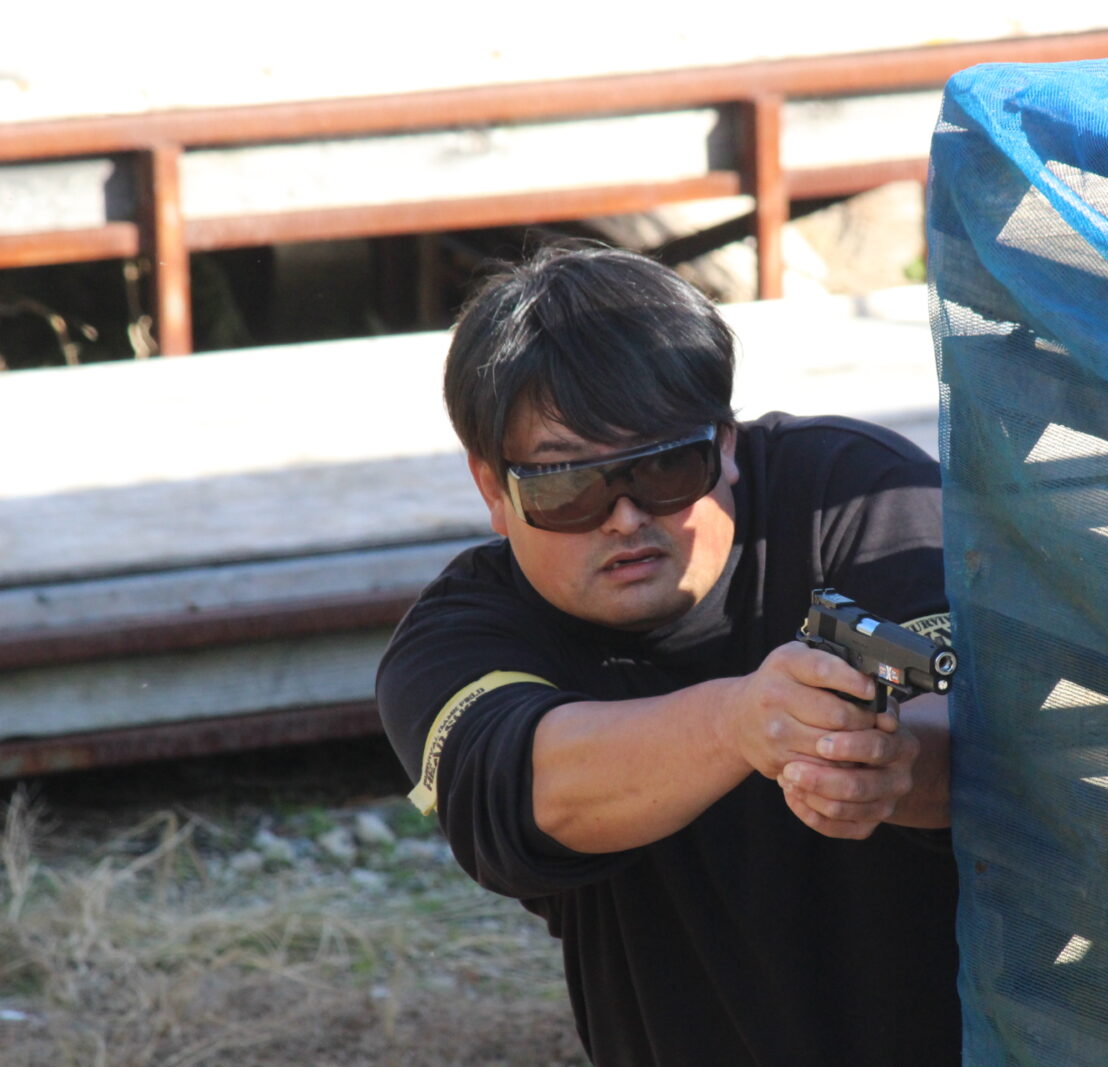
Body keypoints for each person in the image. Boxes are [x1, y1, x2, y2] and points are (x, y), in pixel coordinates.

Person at [376, 240, 959, 1066]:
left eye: (663, 466)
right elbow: (520, 791)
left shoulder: (850, 492)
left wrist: (895, 767)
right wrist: (740, 722)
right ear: (492, 490)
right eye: (566, 484)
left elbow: (997, 734)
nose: (624, 516)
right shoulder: (462, 633)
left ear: (725, 443)